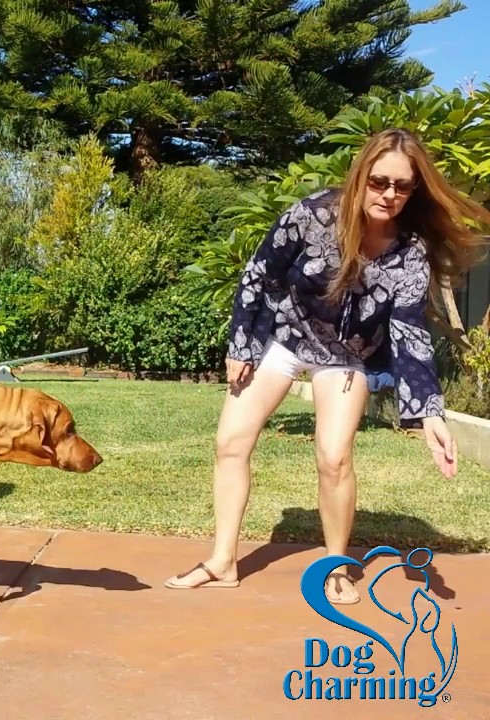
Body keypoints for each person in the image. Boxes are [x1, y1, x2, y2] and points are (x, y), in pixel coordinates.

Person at [165, 127, 490, 604]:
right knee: (230, 441)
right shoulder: (314, 214)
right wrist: (241, 344)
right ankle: (222, 561)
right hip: (286, 334)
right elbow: (259, 273)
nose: (389, 194)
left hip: (347, 352)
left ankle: (336, 567)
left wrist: (431, 413)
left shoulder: (410, 251)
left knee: (334, 457)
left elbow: (409, 330)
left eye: (403, 186)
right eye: (380, 181)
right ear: (361, 175)